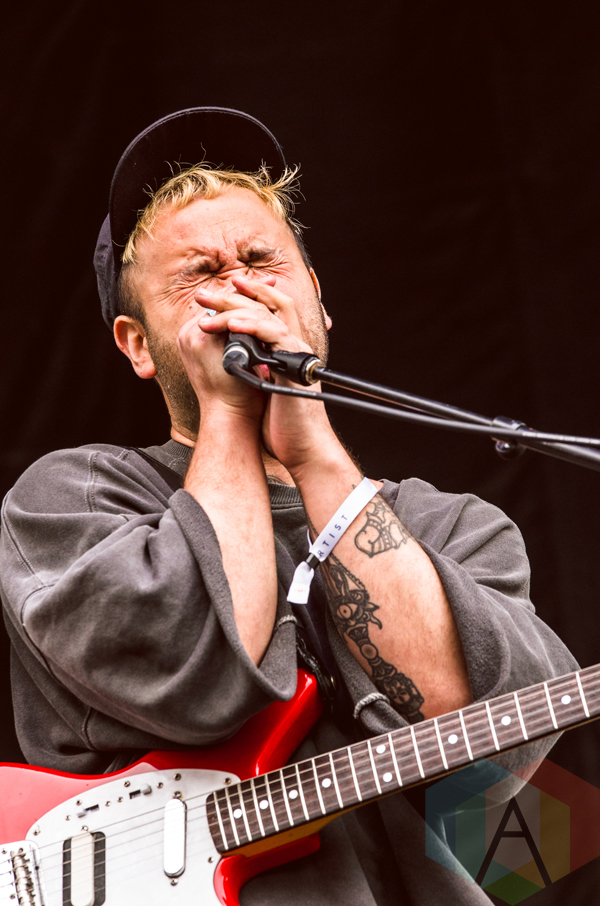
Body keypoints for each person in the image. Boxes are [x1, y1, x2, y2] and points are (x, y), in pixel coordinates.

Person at [0, 108, 577, 904]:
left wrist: (311, 450)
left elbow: (482, 733)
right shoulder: (73, 500)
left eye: (262, 261)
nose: (240, 287)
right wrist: (228, 410)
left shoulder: (448, 526)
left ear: (319, 302)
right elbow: (198, 679)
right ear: (136, 344)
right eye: (200, 275)